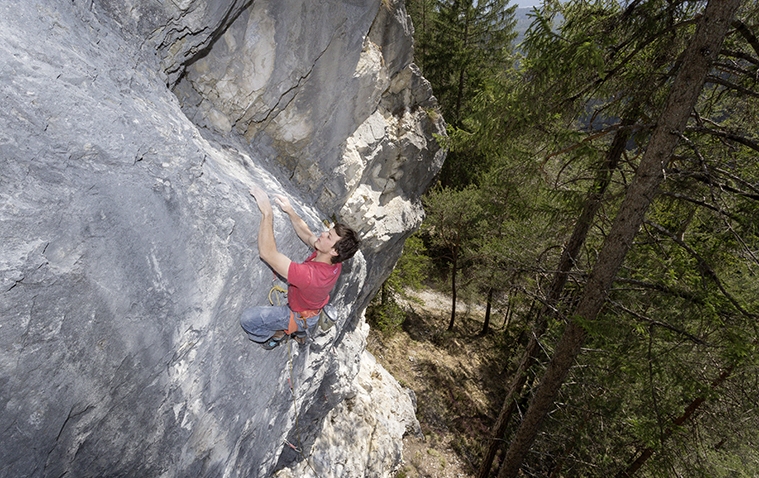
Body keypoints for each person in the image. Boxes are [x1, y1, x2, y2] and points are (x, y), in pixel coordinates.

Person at [240, 184, 360, 349]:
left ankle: (277, 334)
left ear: (333, 251)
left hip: (297, 314)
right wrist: (289, 210)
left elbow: (267, 253)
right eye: (328, 231)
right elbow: (308, 235)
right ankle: (301, 331)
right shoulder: (334, 261)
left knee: (248, 319)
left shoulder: (310, 275)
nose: (323, 233)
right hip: (311, 310)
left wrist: (267, 213)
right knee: (305, 320)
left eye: (329, 236)